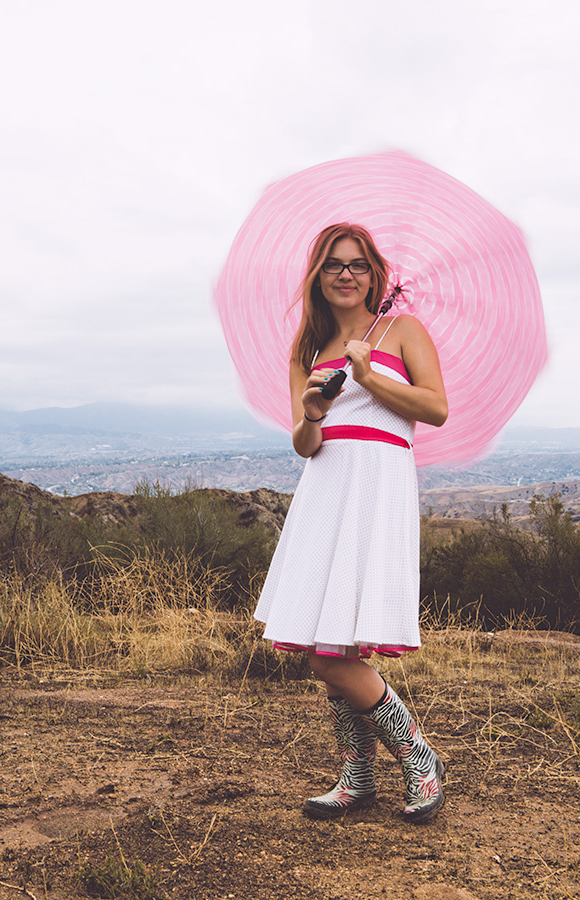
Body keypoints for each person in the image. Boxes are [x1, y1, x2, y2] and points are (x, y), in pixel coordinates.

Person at [254, 222, 448, 824]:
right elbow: (305, 443)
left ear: (375, 274)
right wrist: (312, 413)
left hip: (377, 483)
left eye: (358, 264)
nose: (346, 273)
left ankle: (419, 758)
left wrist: (368, 376)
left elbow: (436, 409)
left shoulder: (402, 331)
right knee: (323, 638)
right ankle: (358, 777)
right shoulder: (306, 351)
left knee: (330, 654)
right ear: (319, 274)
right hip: (326, 487)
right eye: (335, 264)